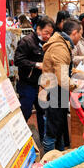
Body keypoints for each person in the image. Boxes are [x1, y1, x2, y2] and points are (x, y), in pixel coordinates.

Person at [39, 18, 83, 153]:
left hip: (58, 92)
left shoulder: (63, 44)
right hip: (54, 93)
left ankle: (58, 157)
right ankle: (48, 161)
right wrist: (76, 85)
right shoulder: (60, 47)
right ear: (74, 33)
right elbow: (62, 78)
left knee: (58, 128)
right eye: (80, 34)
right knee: (52, 130)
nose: (80, 38)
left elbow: (64, 69)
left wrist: (78, 73)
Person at [14, 16, 55, 146]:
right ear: (38, 29)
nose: (48, 36)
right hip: (27, 84)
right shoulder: (26, 41)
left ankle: (44, 140)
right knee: (25, 112)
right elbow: (18, 60)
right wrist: (36, 64)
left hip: (42, 84)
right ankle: (17, 140)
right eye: (46, 32)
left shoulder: (46, 43)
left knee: (43, 112)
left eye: (50, 33)